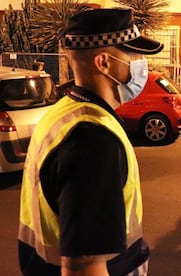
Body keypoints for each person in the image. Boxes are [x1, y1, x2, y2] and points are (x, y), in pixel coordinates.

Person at [18, 9, 163, 276]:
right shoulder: (93, 141)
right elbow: (84, 267)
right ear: (104, 62)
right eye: (133, 55)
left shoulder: (65, 111)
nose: (141, 63)